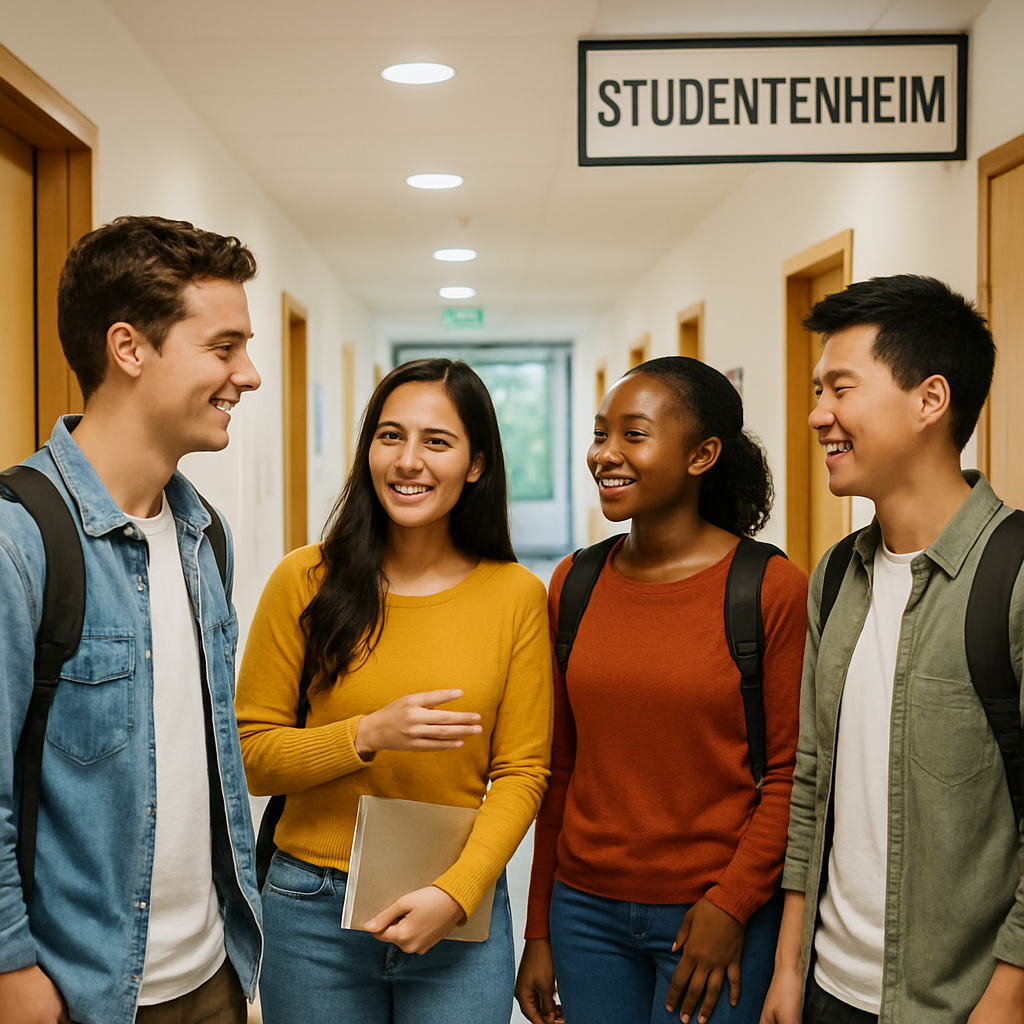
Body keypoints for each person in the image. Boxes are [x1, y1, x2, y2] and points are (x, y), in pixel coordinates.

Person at [0, 216, 264, 1024]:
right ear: (129, 348)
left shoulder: (202, 535)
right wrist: (12, 968)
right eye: (224, 348)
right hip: (80, 995)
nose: (247, 376)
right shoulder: (21, 539)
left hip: (215, 976)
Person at [235, 358, 553, 1024]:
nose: (408, 461)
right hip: (312, 907)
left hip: (456, 909)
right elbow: (250, 757)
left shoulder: (515, 595)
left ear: (475, 464)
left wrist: (459, 893)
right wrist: (365, 735)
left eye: (436, 442)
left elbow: (523, 771)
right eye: (390, 436)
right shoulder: (305, 581)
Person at [759, 274, 1024, 1024]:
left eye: (841, 389)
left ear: (929, 400)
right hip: (827, 990)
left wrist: (1008, 997)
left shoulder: (1013, 575)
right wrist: (789, 967)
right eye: (819, 391)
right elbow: (811, 781)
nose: (818, 415)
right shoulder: (838, 575)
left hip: (961, 1002)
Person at [516, 356, 808, 1024]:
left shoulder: (767, 588)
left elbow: (793, 774)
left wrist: (732, 904)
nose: (604, 455)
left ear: (703, 454)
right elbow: (560, 766)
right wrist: (539, 928)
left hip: (713, 915)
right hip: (584, 912)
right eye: (599, 434)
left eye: (633, 435)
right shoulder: (576, 582)